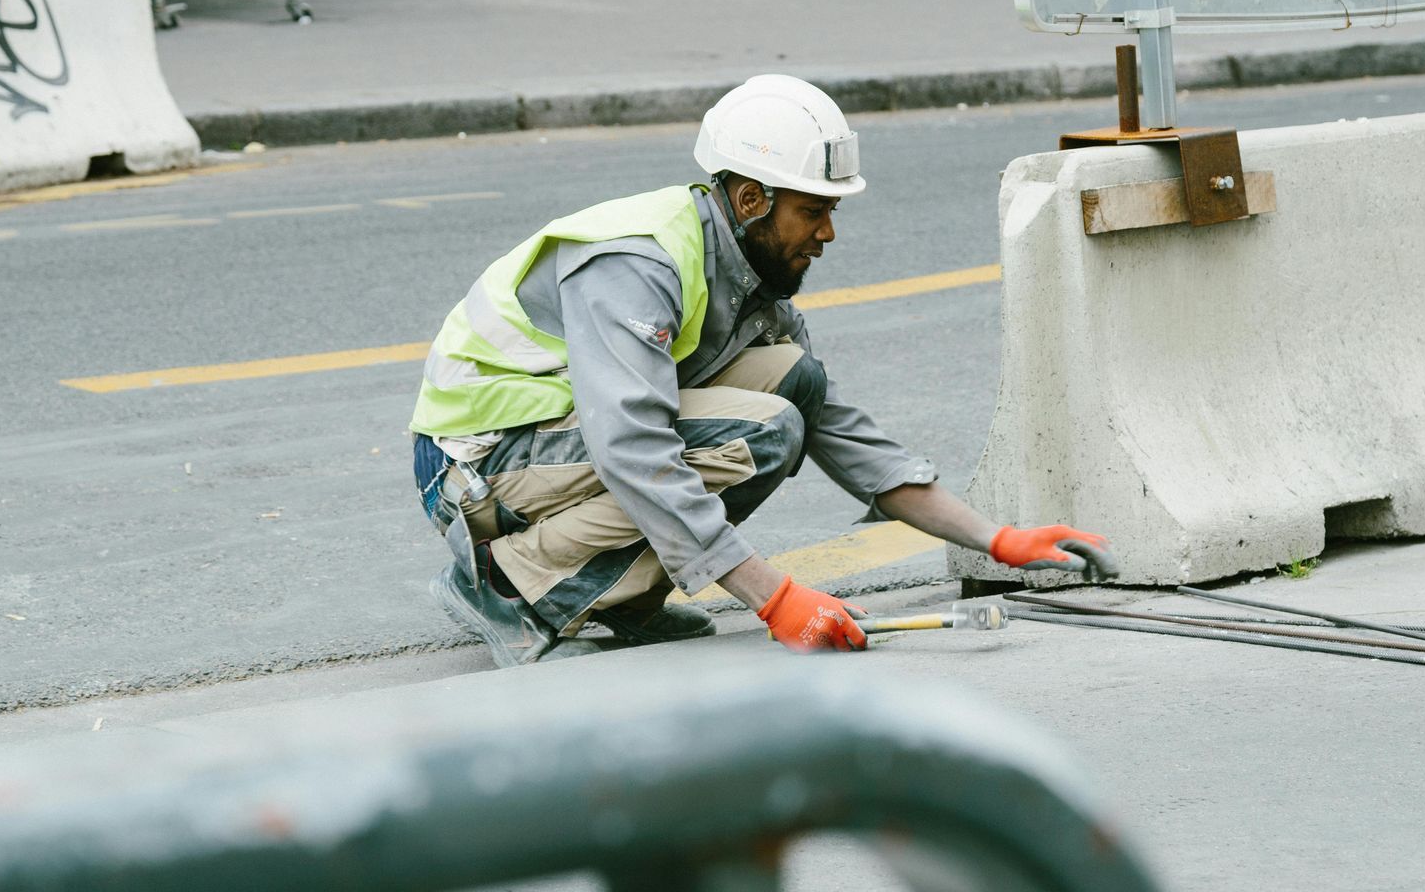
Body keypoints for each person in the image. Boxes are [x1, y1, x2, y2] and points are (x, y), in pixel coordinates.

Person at [409, 74, 1116, 666]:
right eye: (813, 211)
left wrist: (997, 539)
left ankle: (620, 599)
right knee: (764, 431)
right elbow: (633, 446)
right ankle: (508, 589)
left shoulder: (750, 279)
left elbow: (844, 433)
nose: (828, 233)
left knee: (793, 384)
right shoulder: (639, 263)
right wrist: (773, 598)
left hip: (551, 448)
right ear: (751, 200)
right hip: (476, 465)